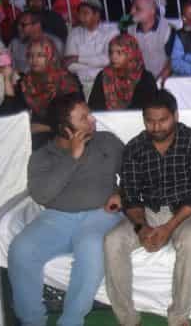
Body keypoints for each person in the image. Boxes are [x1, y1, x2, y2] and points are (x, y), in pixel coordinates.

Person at [8, 93, 124, 326]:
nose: (93, 119)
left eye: (89, 114)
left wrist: (122, 193)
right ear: (65, 129)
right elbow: (41, 195)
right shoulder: (43, 157)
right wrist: (72, 158)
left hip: (101, 214)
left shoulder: (107, 142)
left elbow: (135, 171)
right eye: (84, 118)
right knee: (21, 250)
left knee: (91, 247)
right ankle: (32, 321)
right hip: (56, 218)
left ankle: (71, 320)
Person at [103, 90, 191, 326]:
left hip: (190, 212)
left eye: (162, 120)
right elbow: (130, 196)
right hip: (149, 211)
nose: (156, 127)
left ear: (175, 115)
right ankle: (128, 319)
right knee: (112, 241)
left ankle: (179, 317)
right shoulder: (135, 148)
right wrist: (142, 227)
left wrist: (168, 227)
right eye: (150, 121)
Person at [19, 37, 82, 148]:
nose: (34, 60)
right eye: (30, 55)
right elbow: (18, 119)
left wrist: (44, 127)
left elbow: (74, 118)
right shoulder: (25, 82)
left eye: (40, 55)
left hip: (64, 137)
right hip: (31, 138)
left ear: (51, 55)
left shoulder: (65, 81)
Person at [88, 34, 158, 111]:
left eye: (119, 53)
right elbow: (94, 107)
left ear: (131, 54)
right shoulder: (103, 76)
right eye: (111, 52)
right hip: (107, 118)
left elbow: (149, 109)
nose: (114, 57)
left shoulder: (146, 78)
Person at [64, 0, 118, 96]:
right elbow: (69, 65)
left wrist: (77, 58)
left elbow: (108, 59)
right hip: (80, 84)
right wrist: (97, 68)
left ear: (97, 15)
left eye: (85, 13)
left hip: (106, 83)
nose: (81, 17)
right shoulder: (74, 33)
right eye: (79, 14)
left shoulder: (111, 31)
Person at [128, 0, 173, 85]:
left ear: (152, 11)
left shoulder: (167, 29)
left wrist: (160, 79)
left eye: (138, 9)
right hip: (140, 81)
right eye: (132, 7)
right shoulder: (130, 30)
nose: (132, 11)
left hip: (165, 80)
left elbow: (173, 58)